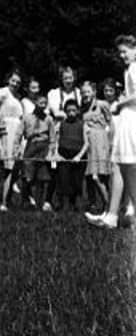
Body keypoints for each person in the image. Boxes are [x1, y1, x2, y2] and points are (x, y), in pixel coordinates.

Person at [87, 36, 136, 230]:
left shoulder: (134, 68)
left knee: (129, 167)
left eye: (125, 51)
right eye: (120, 52)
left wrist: (119, 103)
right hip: (128, 118)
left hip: (132, 119)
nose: (122, 55)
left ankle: (115, 215)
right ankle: (112, 215)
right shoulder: (129, 69)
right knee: (120, 166)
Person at [0, 70, 27, 212]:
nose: (15, 84)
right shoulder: (3, 92)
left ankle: (8, 199)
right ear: (8, 80)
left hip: (17, 132)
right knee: (7, 168)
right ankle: (2, 201)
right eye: (13, 81)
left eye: (18, 82)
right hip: (6, 131)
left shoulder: (18, 97)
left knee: (15, 169)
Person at [49, 97, 88, 215]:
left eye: (74, 110)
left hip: (77, 156)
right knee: (63, 180)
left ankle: (75, 204)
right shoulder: (60, 124)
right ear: (65, 111)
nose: (71, 113)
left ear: (78, 111)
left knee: (76, 181)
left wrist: (79, 156)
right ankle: (62, 205)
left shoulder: (83, 125)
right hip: (63, 155)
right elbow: (55, 140)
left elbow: (87, 143)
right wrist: (56, 154)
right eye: (69, 110)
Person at [81, 79, 113, 214]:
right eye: (83, 92)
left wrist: (110, 143)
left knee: (98, 177)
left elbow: (111, 123)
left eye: (88, 91)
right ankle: (108, 207)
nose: (85, 94)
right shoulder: (83, 108)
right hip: (90, 146)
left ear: (94, 92)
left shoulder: (102, 104)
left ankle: (110, 207)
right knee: (95, 177)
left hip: (101, 143)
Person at [19, 94, 53, 211]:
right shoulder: (27, 118)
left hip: (44, 147)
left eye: (45, 103)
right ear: (35, 104)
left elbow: (52, 138)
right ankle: (26, 200)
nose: (43, 106)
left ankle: (39, 204)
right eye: (40, 103)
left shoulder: (48, 119)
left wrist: (50, 152)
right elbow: (19, 134)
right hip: (31, 145)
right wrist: (18, 148)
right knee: (27, 176)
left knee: (42, 177)